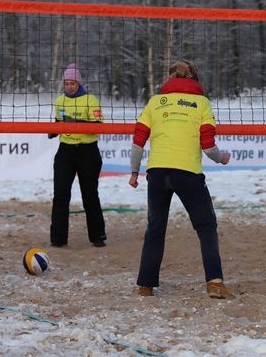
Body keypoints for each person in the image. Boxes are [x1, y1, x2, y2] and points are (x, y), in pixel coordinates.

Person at [129, 59, 234, 299]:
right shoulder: (201, 103)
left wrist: (135, 172)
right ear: (194, 79)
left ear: (170, 78)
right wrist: (222, 158)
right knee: (206, 226)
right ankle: (215, 283)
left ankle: (145, 285)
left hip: (157, 172)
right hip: (187, 172)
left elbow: (138, 141)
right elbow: (208, 147)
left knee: (155, 228)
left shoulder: (155, 102)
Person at [49, 63, 107, 248]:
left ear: (79, 83)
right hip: (65, 151)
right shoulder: (59, 101)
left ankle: (97, 236)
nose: (69, 86)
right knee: (60, 195)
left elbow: (97, 126)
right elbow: (58, 122)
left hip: (87, 151)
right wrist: (54, 129)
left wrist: (74, 123)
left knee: (89, 194)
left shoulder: (91, 100)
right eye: (66, 83)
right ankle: (58, 239)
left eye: (72, 83)